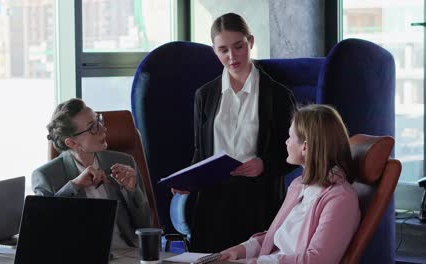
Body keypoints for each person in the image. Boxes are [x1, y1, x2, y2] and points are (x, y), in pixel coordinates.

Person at [172, 13, 296, 252]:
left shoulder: (278, 95)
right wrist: (188, 180)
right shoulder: (204, 95)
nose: (231, 56)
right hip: (212, 203)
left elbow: (292, 155)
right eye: (223, 50)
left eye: (238, 46)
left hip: (260, 201)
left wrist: (264, 164)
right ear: (214, 50)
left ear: (250, 41)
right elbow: (201, 152)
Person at [219, 104, 361, 263]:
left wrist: (251, 263)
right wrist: (240, 250)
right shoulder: (299, 185)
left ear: (305, 147)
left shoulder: (341, 199)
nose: (286, 142)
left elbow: (318, 260)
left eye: (290, 137)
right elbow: (278, 236)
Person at [32, 98, 151, 249]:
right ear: (72, 143)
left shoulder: (124, 162)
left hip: (127, 254)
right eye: (93, 127)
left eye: (99, 120)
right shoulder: (46, 175)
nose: (103, 129)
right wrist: (75, 186)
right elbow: (42, 232)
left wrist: (133, 190)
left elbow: (146, 225)